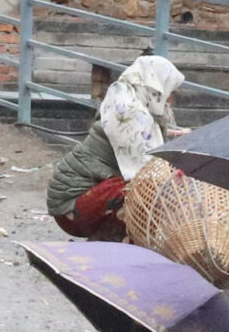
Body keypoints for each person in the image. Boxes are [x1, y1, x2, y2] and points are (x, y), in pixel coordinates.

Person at [46, 55, 184, 240]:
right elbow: (150, 173)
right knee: (145, 193)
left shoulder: (127, 100)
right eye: (170, 92)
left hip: (82, 194)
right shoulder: (129, 112)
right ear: (155, 88)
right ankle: (110, 246)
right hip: (71, 203)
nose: (171, 99)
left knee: (155, 191)